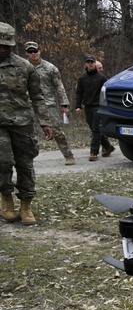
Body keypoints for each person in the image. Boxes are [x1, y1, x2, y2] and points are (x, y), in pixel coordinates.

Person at [0, 22, 52, 225]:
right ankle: (6, 198)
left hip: (22, 122)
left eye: (6, 46)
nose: (3, 49)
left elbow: (37, 96)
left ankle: (26, 204)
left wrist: (44, 122)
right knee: (3, 161)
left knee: (25, 164)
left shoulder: (25, 66)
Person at [23, 41, 75, 165]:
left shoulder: (50, 68)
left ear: (40, 51)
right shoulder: (22, 67)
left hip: (48, 104)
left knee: (56, 131)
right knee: (27, 133)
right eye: (30, 52)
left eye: (35, 51)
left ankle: (68, 155)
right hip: (28, 104)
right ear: (26, 53)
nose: (33, 54)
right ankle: (26, 160)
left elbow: (59, 87)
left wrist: (64, 105)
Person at [74, 54, 114, 162]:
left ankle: (93, 152)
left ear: (94, 63)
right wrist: (78, 106)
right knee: (93, 128)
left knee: (96, 130)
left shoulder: (101, 78)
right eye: (88, 62)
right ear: (85, 64)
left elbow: (107, 92)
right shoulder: (82, 78)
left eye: (92, 62)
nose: (90, 64)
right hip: (88, 106)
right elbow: (79, 93)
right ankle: (108, 146)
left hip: (99, 107)